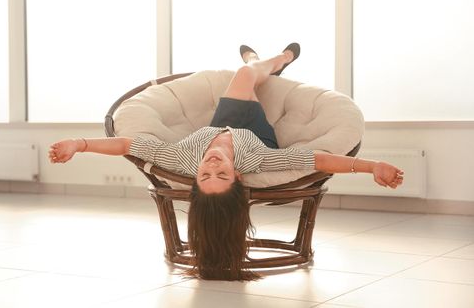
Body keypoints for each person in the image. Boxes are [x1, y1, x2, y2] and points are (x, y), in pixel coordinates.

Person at [49, 43, 404, 281]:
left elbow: (128, 142)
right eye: (222, 173)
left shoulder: (182, 157)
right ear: (238, 176)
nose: (214, 163)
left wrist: (78, 144)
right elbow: (317, 158)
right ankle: (277, 61)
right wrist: (372, 166)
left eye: (206, 172)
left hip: (220, 122)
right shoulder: (260, 158)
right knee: (245, 78)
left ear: (196, 173)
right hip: (255, 131)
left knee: (243, 78)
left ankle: (257, 64)